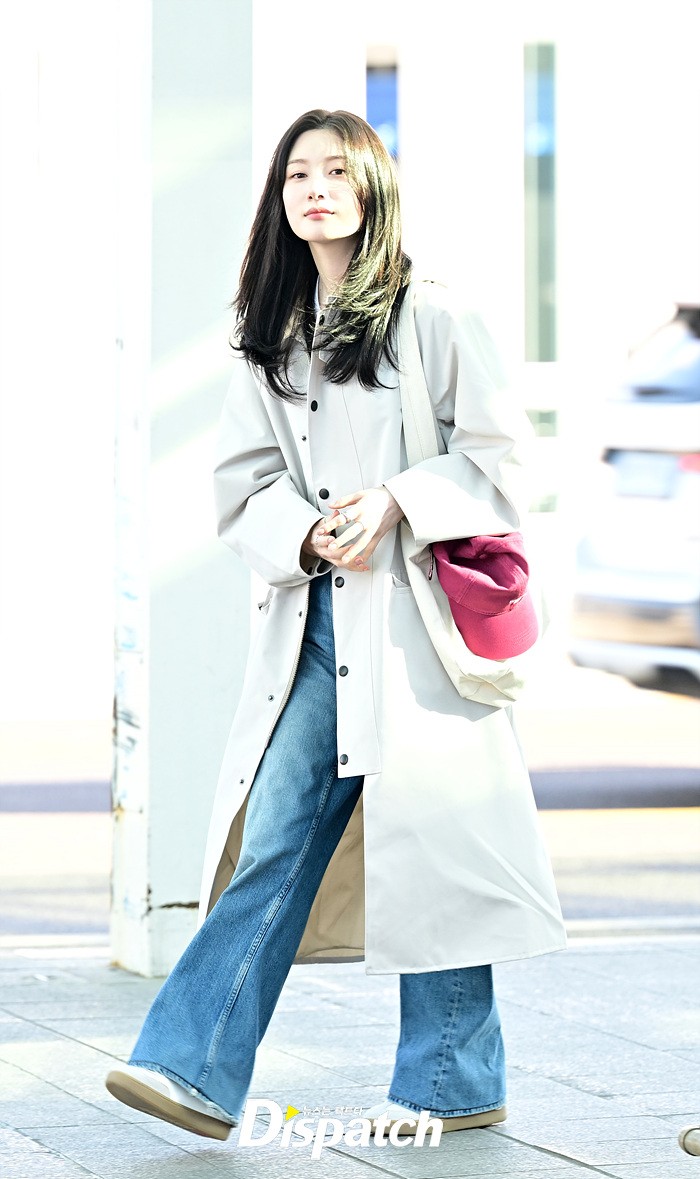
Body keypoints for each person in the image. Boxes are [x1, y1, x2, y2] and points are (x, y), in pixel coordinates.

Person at [105, 108, 567, 1143]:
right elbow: (242, 483)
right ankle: (189, 1067)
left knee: (436, 844)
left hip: (414, 628)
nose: (314, 189)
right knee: (276, 831)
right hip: (314, 622)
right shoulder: (269, 332)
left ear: (372, 188)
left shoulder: (433, 313)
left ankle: (451, 1078)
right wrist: (308, 533)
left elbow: (506, 458)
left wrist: (398, 498)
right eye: (296, 174)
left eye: (335, 172)